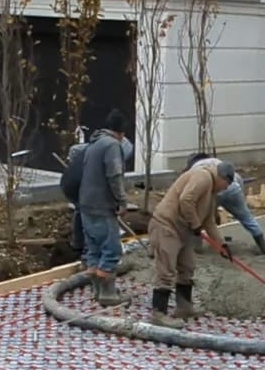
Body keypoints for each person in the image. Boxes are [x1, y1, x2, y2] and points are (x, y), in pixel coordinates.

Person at [148, 158, 235, 326]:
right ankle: (159, 314)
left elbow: (209, 221)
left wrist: (222, 245)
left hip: (183, 230)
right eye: (227, 185)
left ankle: (184, 306)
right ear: (223, 179)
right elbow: (186, 200)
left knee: (187, 267)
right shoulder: (203, 177)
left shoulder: (211, 192)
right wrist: (195, 224)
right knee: (166, 270)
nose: (225, 189)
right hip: (167, 226)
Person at [60, 122, 134, 265]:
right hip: (77, 185)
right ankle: (84, 251)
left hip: (70, 181)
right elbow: (113, 178)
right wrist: (120, 201)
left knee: (83, 211)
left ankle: (82, 249)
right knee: (89, 215)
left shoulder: (95, 145)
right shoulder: (112, 150)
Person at [77, 110, 130, 307]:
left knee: (94, 248)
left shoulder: (94, 143)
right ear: (121, 132)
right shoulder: (112, 145)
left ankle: (97, 291)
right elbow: (114, 175)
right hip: (102, 206)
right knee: (111, 249)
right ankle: (107, 295)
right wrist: (122, 201)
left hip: (85, 204)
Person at [186, 152, 265, 255]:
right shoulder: (218, 163)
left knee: (199, 217)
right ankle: (263, 247)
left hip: (212, 190)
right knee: (246, 217)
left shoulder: (195, 169)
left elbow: (195, 194)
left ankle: (197, 249)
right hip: (233, 188)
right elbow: (238, 180)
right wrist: (240, 202)